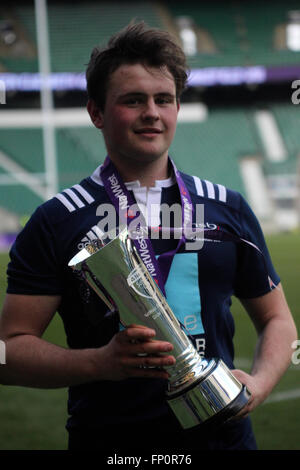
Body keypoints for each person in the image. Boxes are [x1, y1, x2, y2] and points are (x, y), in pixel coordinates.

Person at [0, 22, 297, 452]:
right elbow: (8, 351)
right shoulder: (56, 220)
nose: (152, 113)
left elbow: (277, 319)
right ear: (96, 112)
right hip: (112, 446)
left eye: (164, 99)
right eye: (133, 100)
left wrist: (261, 383)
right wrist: (100, 363)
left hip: (224, 441)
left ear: (178, 108)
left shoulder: (228, 207)